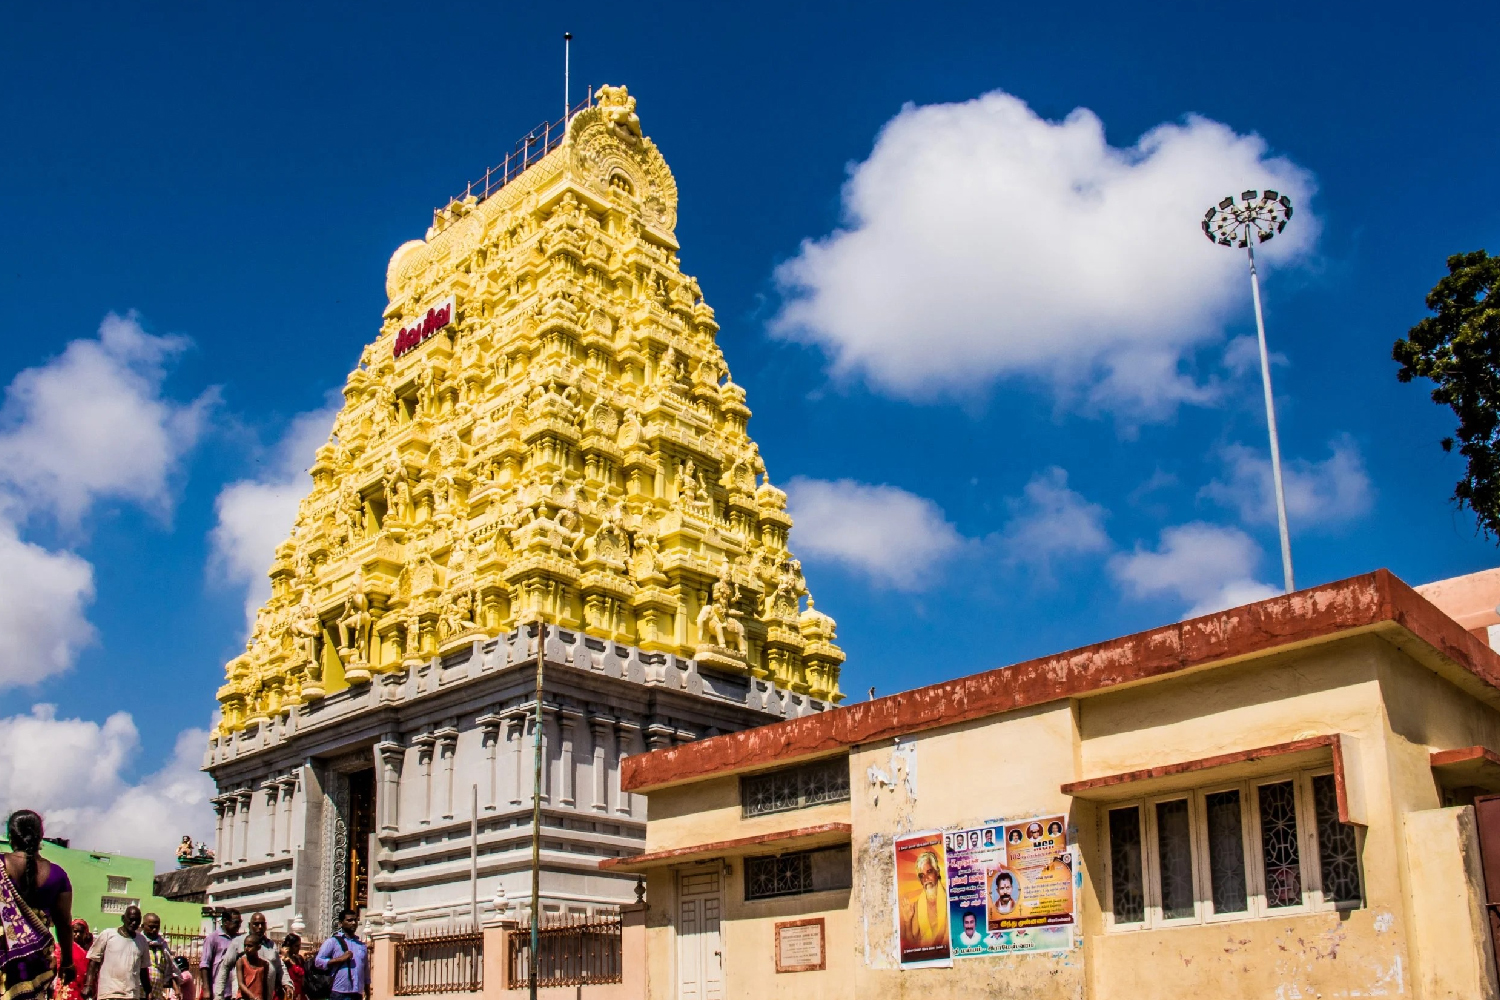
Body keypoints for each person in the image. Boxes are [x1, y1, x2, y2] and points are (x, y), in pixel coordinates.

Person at [1, 809, 77, 1000]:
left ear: (11, 836)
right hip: (36, 962)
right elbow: (64, 924)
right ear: (41, 836)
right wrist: (67, 962)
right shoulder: (58, 875)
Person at [85, 904, 151, 1000]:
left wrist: (148, 991)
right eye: (131, 919)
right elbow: (93, 960)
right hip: (108, 993)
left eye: (137, 920)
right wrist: (88, 984)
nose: (134, 923)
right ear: (123, 918)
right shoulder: (108, 934)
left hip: (131, 995)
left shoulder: (142, 941)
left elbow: (143, 970)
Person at [213, 914, 281, 1000]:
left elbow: (279, 967)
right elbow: (225, 967)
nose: (260, 927)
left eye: (262, 924)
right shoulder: (238, 942)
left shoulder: (271, 945)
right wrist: (219, 995)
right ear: (249, 925)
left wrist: (287, 984)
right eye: (256, 924)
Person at [898, 851, 948, 951]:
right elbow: (912, 945)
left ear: (937, 872)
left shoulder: (950, 901)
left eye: (929, 872)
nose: (925, 879)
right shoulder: (916, 907)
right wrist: (908, 922)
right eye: (921, 875)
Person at [313, 910, 367, 1000]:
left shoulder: (361, 945)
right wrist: (339, 959)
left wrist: (367, 992)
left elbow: (366, 971)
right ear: (340, 924)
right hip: (338, 992)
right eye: (349, 920)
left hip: (356, 993)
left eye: (355, 920)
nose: (353, 923)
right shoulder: (332, 942)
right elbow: (318, 961)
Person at [199, 911, 240, 1000]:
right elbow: (204, 965)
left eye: (240, 922)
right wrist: (206, 989)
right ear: (225, 921)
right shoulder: (212, 938)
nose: (239, 925)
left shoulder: (239, 939)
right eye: (236, 922)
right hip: (217, 991)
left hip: (234, 991)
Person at [140, 914, 178, 1000]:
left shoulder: (162, 945)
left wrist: (176, 988)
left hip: (157, 991)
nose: (154, 930)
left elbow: (169, 969)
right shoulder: (139, 943)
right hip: (141, 991)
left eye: (157, 927)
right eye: (151, 927)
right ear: (143, 926)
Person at [56, 920, 91, 1000]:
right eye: (75, 931)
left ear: (86, 934)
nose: (78, 934)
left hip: (81, 989)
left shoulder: (89, 951)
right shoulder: (61, 948)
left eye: (81, 932)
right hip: (65, 985)